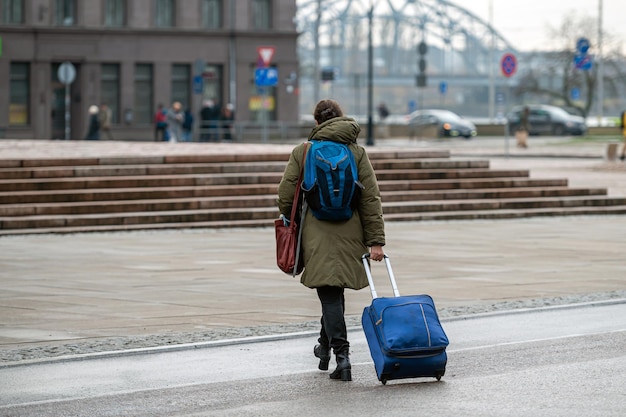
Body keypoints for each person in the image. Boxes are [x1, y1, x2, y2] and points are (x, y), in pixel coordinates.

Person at [277, 99, 386, 382]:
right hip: (351, 231)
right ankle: (324, 348)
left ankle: (343, 357)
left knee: (328, 292)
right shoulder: (356, 151)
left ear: (316, 123)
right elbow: (370, 198)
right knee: (334, 293)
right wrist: (376, 241)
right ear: (341, 118)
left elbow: (285, 197)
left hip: (317, 232)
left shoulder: (304, 152)